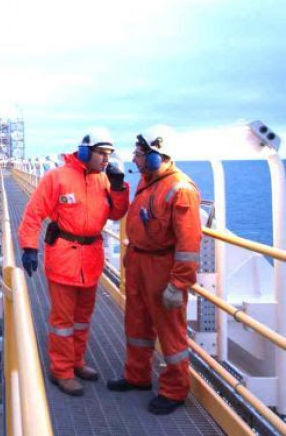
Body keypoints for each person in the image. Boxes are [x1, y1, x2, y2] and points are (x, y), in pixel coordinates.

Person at [18, 129, 130, 396]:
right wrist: (29, 247)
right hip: (64, 258)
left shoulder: (103, 180)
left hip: (90, 258)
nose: (106, 159)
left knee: (82, 318)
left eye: (109, 154)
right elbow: (33, 214)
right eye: (101, 153)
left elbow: (116, 214)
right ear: (84, 152)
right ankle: (61, 370)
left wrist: (118, 189)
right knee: (63, 321)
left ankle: (77, 361)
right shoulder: (57, 178)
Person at [107, 125, 202, 415]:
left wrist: (179, 283)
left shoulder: (180, 189)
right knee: (137, 323)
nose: (134, 159)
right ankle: (137, 376)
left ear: (156, 155)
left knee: (170, 331)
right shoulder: (149, 182)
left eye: (139, 154)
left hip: (162, 267)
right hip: (139, 261)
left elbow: (188, 243)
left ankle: (174, 391)